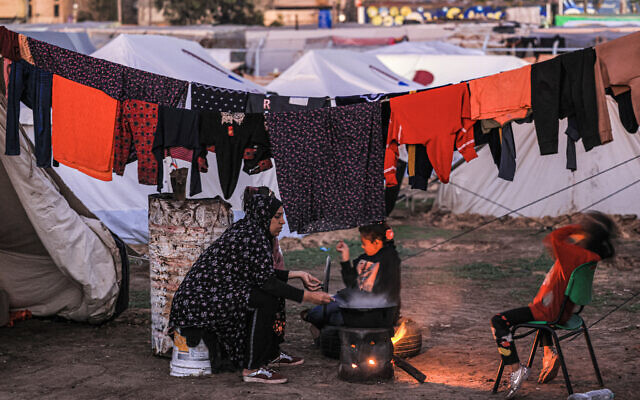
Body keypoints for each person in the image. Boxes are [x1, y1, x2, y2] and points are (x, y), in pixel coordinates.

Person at [169, 194, 332, 384]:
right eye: (277, 216)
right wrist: (310, 297)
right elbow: (266, 282)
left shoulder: (253, 230)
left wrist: (298, 274)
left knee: (271, 294)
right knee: (266, 298)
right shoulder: (252, 237)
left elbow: (259, 273)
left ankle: (270, 354)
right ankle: (253, 368)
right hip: (198, 303)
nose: (282, 222)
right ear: (264, 216)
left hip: (213, 294)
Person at [490, 211, 617, 399]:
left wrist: (578, 228)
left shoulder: (573, 254)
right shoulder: (591, 256)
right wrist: (588, 231)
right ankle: (550, 352)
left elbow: (553, 237)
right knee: (535, 311)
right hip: (563, 312)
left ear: (588, 234)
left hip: (548, 312)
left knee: (498, 321)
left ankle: (516, 369)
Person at [302, 222, 402, 337]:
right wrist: (345, 258)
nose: (362, 246)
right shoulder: (363, 258)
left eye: (364, 243)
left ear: (377, 242)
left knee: (335, 318)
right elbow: (350, 283)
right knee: (316, 314)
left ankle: (324, 326)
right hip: (351, 300)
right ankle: (318, 319)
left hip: (372, 311)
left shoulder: (390, 258)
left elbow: (390, 294)